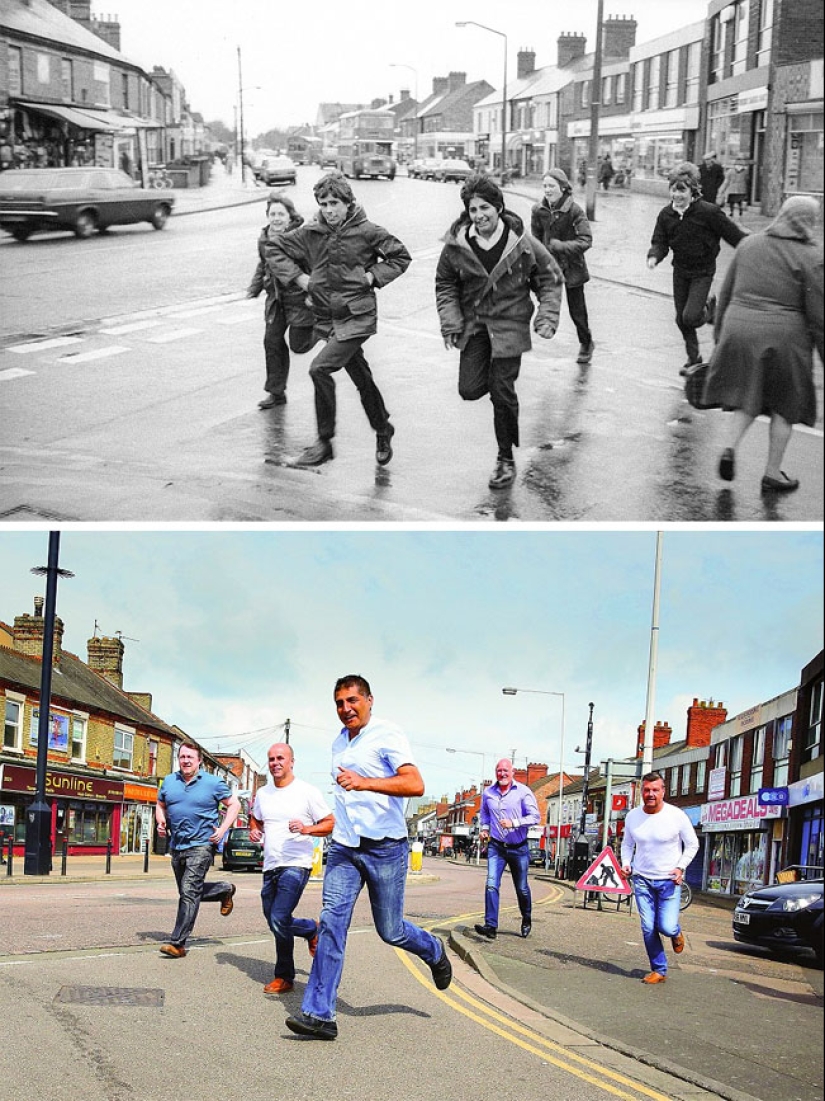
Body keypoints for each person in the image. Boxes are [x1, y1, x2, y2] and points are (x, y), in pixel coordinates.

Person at [285, 675, 451, 1041]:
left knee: (390, 930)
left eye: (352, 701)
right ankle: (319, 1014)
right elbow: (346, 797)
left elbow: (415, 784)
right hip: (344, 848)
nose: (346, 709)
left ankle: (433, 949)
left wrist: (365, 781)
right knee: (331, 924)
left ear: (370, 700)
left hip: (385, 848)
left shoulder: (388, 734)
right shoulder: (338, 743)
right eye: (339, 703)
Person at [267, 173, 411, 468]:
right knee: (362, 377)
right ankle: (383, 429)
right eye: (324, 203)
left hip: (357, 317)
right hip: (328, 318)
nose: (329, 210)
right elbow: (273, 248)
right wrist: (301, 278)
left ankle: (324, 443)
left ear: (349, 203)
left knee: (319, 369)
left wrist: (372, 276)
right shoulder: (312, 232)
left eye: (335, 203)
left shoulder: (368, 231)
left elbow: (400, 256)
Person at [435, 173, 563, 490]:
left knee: (501, 388)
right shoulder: (458, 245)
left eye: (485, 208)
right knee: (469, 389)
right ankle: (502, 406)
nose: (480, 216)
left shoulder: (523, 244)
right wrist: (451, 321)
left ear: (499, 206)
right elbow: (445, 283)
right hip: (475, 324)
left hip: (510, 324)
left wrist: (547, 316)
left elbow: (550, 279)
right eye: (473, 210)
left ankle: (505, 459)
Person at [703, 195, 823, 494]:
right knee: (786, 404)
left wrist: (720, 338)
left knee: (749, 395)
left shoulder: (749, 244)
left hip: (738, 329)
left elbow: (726, 292)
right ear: (808, 222)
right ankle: (772, 473)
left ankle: (730, 447)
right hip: (785, 340)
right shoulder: (813, 257)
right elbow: (819, 315)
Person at [248, 742, 334, 996]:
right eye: (271, 759)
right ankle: (310, 929)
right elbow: (257, 817)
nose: (275, 763)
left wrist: (307, 829)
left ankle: (284, 977)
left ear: (292, 762)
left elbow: (329, 823)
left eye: (280, 758)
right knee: (274, 920)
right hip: (270, 865)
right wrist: (255, 828)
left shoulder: (307, 792)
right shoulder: (263, 794)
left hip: (296, 864)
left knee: (278, 918)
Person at [647, 162, 746, 375]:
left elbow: (733, 234)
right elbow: (660, 240)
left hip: (703, 271)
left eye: (682, 190)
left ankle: (709, 310)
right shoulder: (666, 214)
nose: (677, 194)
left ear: (693, 190)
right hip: (680, 271)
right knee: (680, 318)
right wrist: (655, 256)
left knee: (690, 317)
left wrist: (752, 247)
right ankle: (694, 359)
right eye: (674, 189)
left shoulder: (708, 212)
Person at [155, 743, 241, 959]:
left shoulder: (213, 783)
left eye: (190, 757)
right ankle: (223, 889)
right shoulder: (169, 781)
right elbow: (160, 804)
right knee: (187, 892)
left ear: (199, 760)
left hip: (202, 844)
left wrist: (222, 829)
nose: (185, 760)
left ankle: (178, 943)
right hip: (178, 845)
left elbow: (234, 805)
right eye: (182, 756)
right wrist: (160, 821)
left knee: (189, 891)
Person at [620, 771, 699, 984]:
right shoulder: (633, 817)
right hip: (642, 879)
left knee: (666, 926)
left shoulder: (677, 816)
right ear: (642, 793)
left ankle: (676, 933)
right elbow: (627, 844)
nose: (651, 794)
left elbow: (693, 844)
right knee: (648, 927)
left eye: (655, 790)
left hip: (669, 881)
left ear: (663, 791)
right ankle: (659, 969)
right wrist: (626, 864)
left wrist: (681, 867)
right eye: (647, 790)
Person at [247, 191, 317, 409]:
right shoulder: (265, 238)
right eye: (272, 214)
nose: (276, 218)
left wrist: (314, 293)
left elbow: (314, 265)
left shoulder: (300, 237)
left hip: (298, 299)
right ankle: (276, 393)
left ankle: (323, 326)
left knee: (299, 345)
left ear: (290, 217)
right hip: (276, 299)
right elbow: (263, 264)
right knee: (272, 342)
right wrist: (255, 286)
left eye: (281, 214)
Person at [531, 167, 595, 366]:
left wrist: (562, 246)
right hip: (550, 268)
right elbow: (536, 238)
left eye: (552, 186)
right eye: (545, 186)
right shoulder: (539, 210)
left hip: (572, 268)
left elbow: (586, 240)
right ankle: (546, 326)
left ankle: (586, 343)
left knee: (577, 311)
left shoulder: (574, 210)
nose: (548, 190)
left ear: (563, 188)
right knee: (546, 300)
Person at [473, 758, 540, 940]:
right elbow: (485, 814)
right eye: (499, 771)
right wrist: (485, 830)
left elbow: (535, 817)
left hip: (519, 848)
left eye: (505, 770)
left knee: (522, 888)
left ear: (512, 773)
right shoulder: (488, 793)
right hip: (496, 846)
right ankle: (491, 926)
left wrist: (514, 823)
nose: (502, 774)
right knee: (491, 884)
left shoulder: (523, 792)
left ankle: (526, 918)